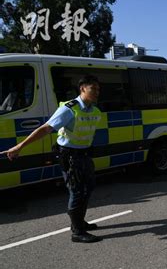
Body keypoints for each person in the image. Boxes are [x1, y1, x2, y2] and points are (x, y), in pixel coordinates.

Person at [1, 75, 103, 243]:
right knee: (77, 191)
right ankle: (77, 231)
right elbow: (46, 128)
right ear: (83, 88)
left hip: (84, 155)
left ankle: (80, 222)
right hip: (70, 156)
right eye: (94, 89)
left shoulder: (93, 109)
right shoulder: (69, 109)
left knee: (88, 187)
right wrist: (20, 146)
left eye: (98, 89)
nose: (97, 92)